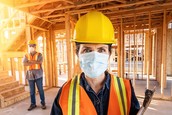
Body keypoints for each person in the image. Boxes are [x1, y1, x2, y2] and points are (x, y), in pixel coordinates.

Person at [50, 11, 140, 115]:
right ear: (77, 53)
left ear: (109, 53)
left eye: (101, 50)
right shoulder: (65, 92)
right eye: (87, 50)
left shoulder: (125, 89)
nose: (94, 57)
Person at [22, 40, 46, 111]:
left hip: (38, 74)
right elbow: (24, 63)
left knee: (40, 90)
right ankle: (33, 104)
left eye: (33, 45)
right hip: (30, 75)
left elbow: (40, 61)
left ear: (35, 46)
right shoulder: (26, 55)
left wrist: (29, 62)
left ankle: (43, 103)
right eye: (30, 46)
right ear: (28, 46)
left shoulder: (39, 54)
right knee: (32, 91)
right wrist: (35, 62)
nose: (31, 47)